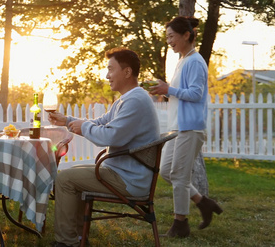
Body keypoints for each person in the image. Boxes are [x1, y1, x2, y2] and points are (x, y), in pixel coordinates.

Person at [48, 47, 160, 247]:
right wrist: (68, 120)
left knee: (64, 179)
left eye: (111, 69)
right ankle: (78, 237)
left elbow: (111, 136)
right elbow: (101, 122)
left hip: (128, 179)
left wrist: (84, 127)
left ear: (127, 72)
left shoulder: (135, 100)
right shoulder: (127, 99)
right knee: (70, 173)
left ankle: (66, 242)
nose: (107, 75)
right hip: (123, 172)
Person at [150, 16, 223, 238]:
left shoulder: (195, 61)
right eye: (167, 37)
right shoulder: (182, 60)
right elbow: (181, 93)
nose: (169, 41)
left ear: (186, 35)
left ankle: (180, 225)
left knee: (180, 176)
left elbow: (195, 93)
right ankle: (203, 202)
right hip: (178, 127)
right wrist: (164, 91)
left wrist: (169, 90)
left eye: (171, 36)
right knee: (166, 171)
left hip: (190, 128)